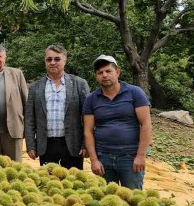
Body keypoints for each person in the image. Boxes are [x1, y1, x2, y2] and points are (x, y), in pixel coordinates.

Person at [83, 55, 152, 189]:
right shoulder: (91, 99)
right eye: (100, 73)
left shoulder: (135, 93)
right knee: (107, 199)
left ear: (117, 72)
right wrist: (94, 160)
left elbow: (146, 125)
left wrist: (141, 155)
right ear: (96, 77)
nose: (104, 75)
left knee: (132, 199)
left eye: (108, 71)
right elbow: (88, 131)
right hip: (104, 157)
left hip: (130, 157)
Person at [25, 45, 90, 169]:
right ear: (45, 62)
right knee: (49, 185)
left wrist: (85, 144)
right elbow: (29, 119)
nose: (52, 63)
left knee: (74, 186)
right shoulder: (35, 87)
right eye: (49, 59)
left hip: (73, 145)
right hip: (46, 146)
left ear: (65, 60)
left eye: (57, 59)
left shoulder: (79, 84)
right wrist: (31, 145)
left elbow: (87, 118)